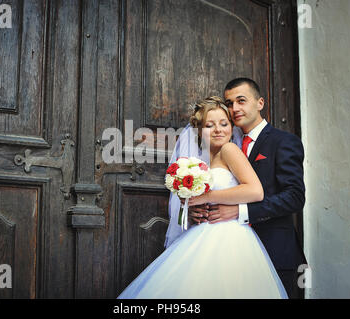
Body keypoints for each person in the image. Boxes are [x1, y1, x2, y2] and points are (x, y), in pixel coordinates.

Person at [118, 96, 287, 299]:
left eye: (224, 124)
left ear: (231, 127)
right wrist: (192, 208)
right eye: (210, 125)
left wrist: (207, 196)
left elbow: (255, 191)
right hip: (204, 231)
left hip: (228, 236)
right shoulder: (204, 161)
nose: (218, 129)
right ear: (200, 131)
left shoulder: (229, 149)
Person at [190, 78, 307, 298]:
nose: (234, 108)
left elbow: (294, 197)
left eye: (241, 101)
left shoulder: (283, 141)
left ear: (260, 103)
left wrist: (240, 211)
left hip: (274, 250)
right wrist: (199, 210)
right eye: (230, 103)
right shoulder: (223, 143)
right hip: (227, 253)